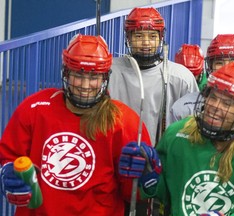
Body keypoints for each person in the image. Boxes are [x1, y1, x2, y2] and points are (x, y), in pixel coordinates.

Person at [0, 34, 152, 216]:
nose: (85, 85)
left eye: (94, 76)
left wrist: (145, 177)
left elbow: (134, 194)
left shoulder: (124, 121)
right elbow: (8, 156)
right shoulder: (35, 108)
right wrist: (7, 172)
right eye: (78, 75)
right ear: (66, 73)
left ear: (105, 77)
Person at [120, 63, 234, 216]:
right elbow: (167, 194)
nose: (215, 107)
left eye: (227, 103)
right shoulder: (177, 135)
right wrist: (149, 180)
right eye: (213, 97)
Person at [108, 7, 199, 147]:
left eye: (152, 36)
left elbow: (194, 125)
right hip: (118, 153)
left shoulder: (181, 77)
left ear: (160, 38)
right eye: (138, 36)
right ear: (128, 38)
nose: (146, 42)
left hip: (164, 156)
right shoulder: (110, 71)